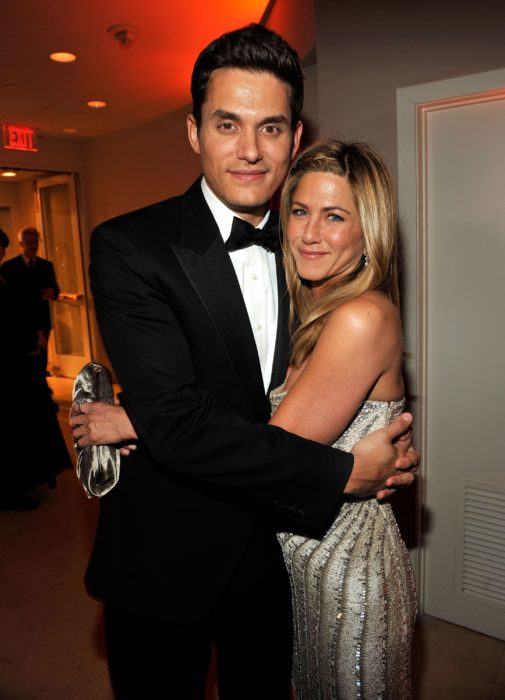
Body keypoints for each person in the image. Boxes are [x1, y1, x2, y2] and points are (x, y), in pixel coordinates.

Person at [70, 24, 418, 700]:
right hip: (165, 561)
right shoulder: (130, 247)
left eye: (270, 128)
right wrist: (347, 469)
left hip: (280, 558)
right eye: (227, 124)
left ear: (294, 137)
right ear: (195, 131)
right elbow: (181, 419)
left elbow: (316, 392)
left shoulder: (307, 254)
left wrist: (135, 418)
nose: (250, 151)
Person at [269, 139, 417, 698]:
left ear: (367, 233)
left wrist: (147, 421)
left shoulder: (360, 316)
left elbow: (269, 452)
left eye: (334, 216)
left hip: (344, 576)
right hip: (300, 562)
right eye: (300, 211)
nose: (309, 233)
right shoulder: (311, 311)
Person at [0, 229, 40, 510]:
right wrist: (29, 341)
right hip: (5, 369)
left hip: (11, 364)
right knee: (8, 430)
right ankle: (11, 492)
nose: (3, 254)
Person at [0, 225, 59, 379]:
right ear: (22, 244)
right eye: (29, 242)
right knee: (24, 361)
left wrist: (53, 293)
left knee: (42, 359)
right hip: (21, 321)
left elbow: (55, 289)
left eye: (35, 242)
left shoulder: (46, 265)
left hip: (41, 319)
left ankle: (42, 385)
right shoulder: (9, 267)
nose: (33, 245)